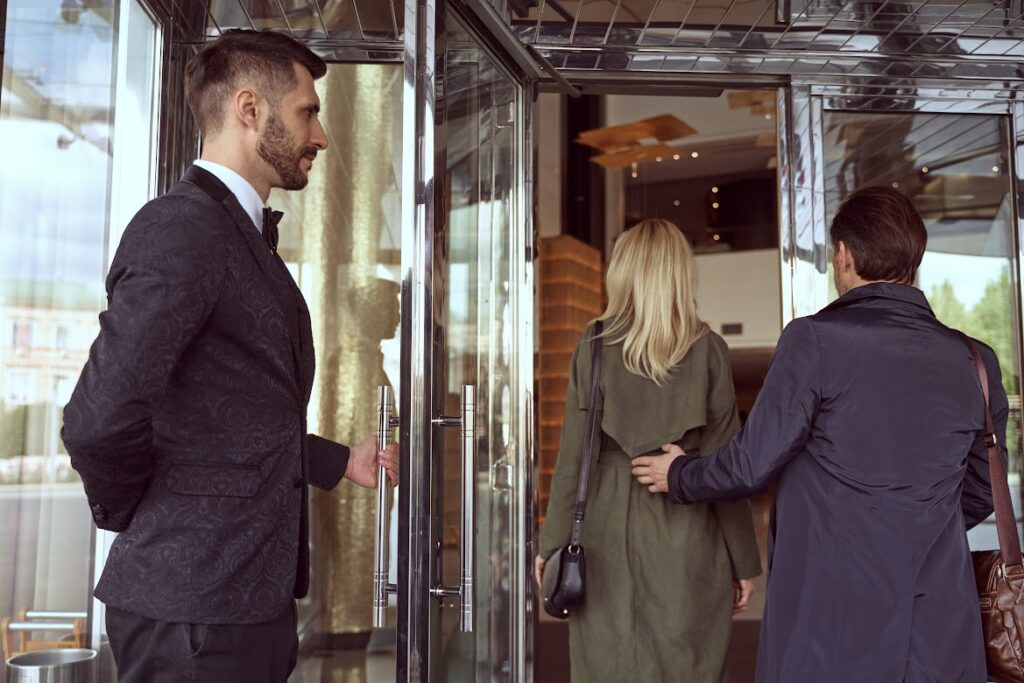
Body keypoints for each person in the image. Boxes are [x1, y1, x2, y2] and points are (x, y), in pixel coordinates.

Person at [61, 29, 398, 682]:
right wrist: (146, 513)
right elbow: (96, 419)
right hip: (194, 613)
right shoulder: (182, 229)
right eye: (307, 111)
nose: (321, 135)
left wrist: (338, 461)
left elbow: (231, 418)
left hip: (238, 609)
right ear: (250, 109)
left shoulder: (235, 232)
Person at [633, 187, 1007, 682]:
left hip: (832, 621)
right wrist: (910, 531)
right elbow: (981, 490)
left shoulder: (814, 341)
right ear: (914, 259)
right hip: (938, 622)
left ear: (844, 255)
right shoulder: (976, 360)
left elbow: (751, 463)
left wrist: (679, 473)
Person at [536, 219, 762, 683]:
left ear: (624, 273)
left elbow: (574, 458)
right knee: (688, 663)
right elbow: (726, 467)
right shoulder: (708, 349)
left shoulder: (593, 344)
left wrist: (553, 543)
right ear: (680, 273)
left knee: (610, 663)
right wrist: (743, 563)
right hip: (688, 533)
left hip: (604, 535)